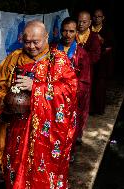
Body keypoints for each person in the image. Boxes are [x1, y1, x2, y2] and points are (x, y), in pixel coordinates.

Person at [0, 20, 78, 189]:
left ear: (46, 37)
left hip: (45, 133)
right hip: (16, 128)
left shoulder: (58, 61)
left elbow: (70, 90)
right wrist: (5, 102)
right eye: (26, 41)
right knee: (15, 170)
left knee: (42, 173)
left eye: (36, 42)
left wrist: (36, 87)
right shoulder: (14, 58)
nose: (31, 46)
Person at [51, 17, 91, 157]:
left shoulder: (82, 54)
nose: (68, 35)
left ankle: (69, 152)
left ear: (76, 32)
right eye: (65, 31)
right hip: (53, 95)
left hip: (71, 97)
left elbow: (85, 81)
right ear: (60, 31)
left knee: (70, 127)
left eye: (71, 31)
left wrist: (70, 93)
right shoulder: (53, 49)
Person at [76, 10, 101, 117]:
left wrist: (81, 60)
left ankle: (82, 115)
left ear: (90, 23)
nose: (81, 24)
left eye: (84, 22)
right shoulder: (72, 33)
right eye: (79, 21)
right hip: (70, 70)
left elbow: (96, 55)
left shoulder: (94, 37)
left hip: (86, 71)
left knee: (84, 94)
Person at [91, 8, 115, 114]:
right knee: (90, 86)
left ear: (103, 18)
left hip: (102, 64)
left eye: (99, 16)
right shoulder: (88, 29)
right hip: (90, 63)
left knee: (100, 88)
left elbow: (110, 47)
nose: (97, 18)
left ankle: (99, 110)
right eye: (95, 16)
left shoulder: (107, 30)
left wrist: (102, 41)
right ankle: (90, 109)